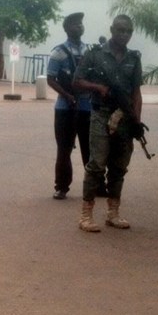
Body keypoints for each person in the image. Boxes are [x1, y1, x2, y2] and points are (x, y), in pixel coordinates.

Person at [73, 14, 143, 232]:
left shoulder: (133, 57)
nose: (124, 35)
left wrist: (135, 121)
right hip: (101, 114)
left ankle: (113, 213)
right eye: (121, 30)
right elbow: (77, 81)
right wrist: (98, 88)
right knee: (96, 165)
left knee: (119, 166)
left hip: (124, 116)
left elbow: (136, 92)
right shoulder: (95, 54)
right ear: (112, 30)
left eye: (129, 31)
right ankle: (86, 214)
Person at [46, 12, 90, 200]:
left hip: (88, 108)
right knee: (64, 150)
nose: (79, 27)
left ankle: (95, 186)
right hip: (65, 109)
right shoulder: (59, 52)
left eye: (81, 24)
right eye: (74, 24)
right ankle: (61, 187)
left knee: (91, 149)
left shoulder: (90, 52)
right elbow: (50, 79)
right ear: (66, 29)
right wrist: (66, 95)